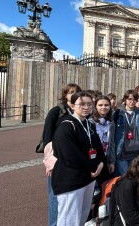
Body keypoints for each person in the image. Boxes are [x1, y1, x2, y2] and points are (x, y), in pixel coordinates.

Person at [52, 91, 105, 226]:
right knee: (69, 220)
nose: (86, 107)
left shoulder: (89, 124)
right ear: (72, 106)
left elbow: (98, 148)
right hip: (71, 180)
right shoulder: (66, 126)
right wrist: (92, 167)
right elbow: (69, 154)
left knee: (81, 217)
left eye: (89, 104)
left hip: (88, 179)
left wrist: (101, 163)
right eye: (81, 104)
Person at [41, 83, 81, 226]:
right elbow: (47, 139)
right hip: (56, 160)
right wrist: (49, 162)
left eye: (76, 92)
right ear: (65, 95)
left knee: (70, 197)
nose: (73, 94)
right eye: (70, 92)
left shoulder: (80, 111)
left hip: (73, 162)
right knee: (55, 196)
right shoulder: (56, 111)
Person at [108, 90, 139, 176]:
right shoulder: (117, 113)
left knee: (134, 178)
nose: (132, 102)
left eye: (134, 99)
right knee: (124, 179)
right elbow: (112, 136)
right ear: (125, 100)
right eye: (129, 99)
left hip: (136, 153)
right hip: (121, 153)